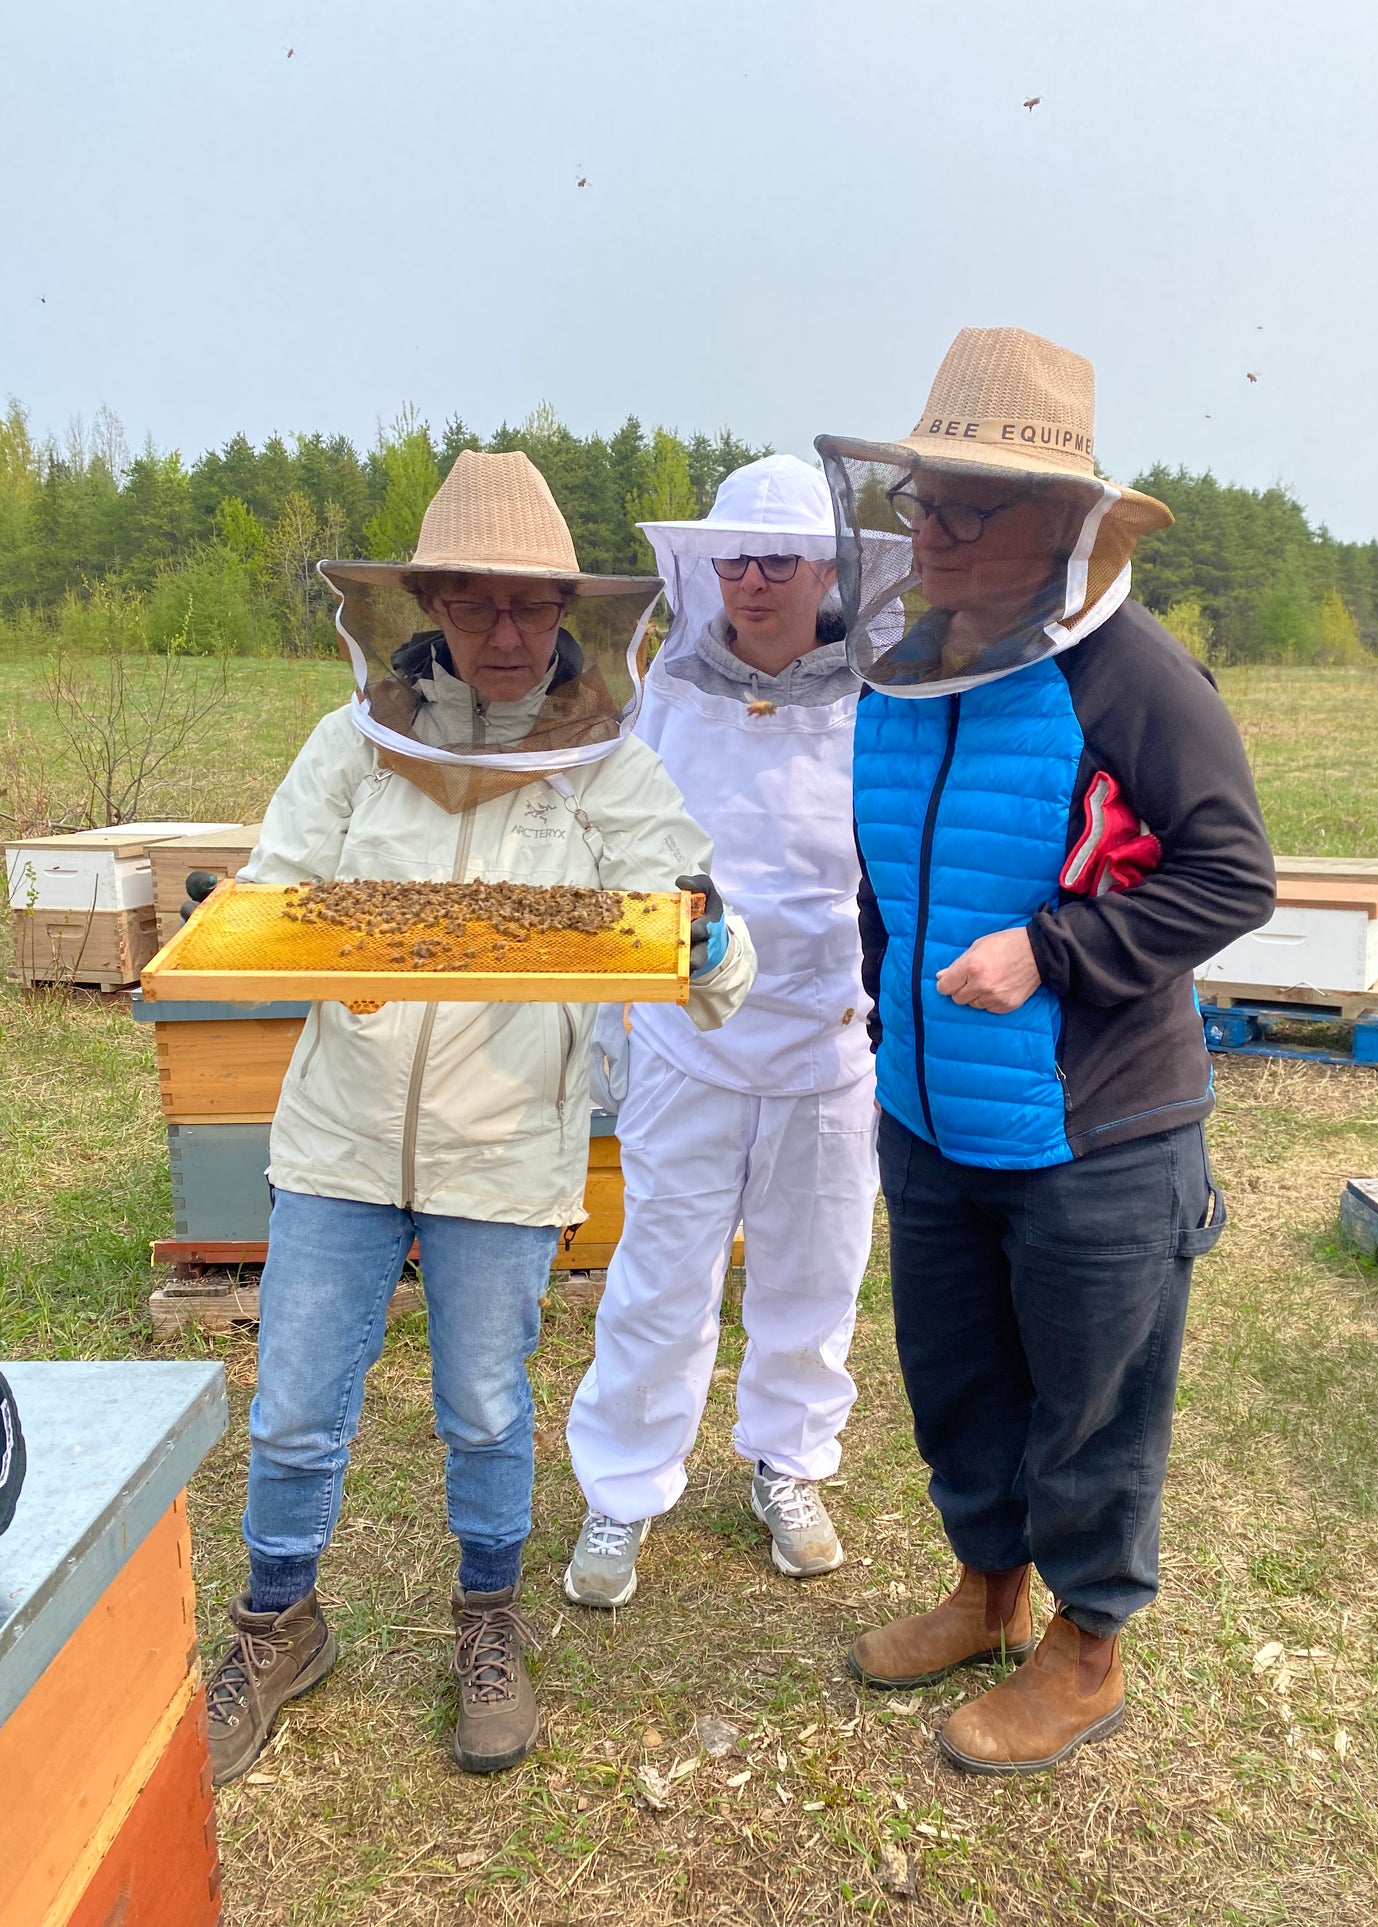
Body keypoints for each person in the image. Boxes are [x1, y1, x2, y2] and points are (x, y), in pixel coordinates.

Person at [202, 451, 755, 1786]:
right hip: (340, 1127)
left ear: (569, 612)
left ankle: (487, 1624)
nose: (507, 636)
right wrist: (241, 919)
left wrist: (708, 939)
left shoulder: (602, 770)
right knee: (291, 1407)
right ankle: (278, 1622)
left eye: (531, 609)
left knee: (486, 1405)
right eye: (477, 606)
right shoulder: (352, 746)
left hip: (506, 1141)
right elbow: (277, 888)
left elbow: (694, 927)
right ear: (431, 605)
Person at [814, 328, 1275, 1775]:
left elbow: (1230, 870)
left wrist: (1056, 948)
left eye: (972, 505)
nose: (933, 531)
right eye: (923, 502)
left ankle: (1084, 1651)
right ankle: (985, 1589)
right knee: (956, 1373)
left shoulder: (1133, 673)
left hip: (1099, 1133)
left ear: (1060, 523)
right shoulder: (902, 676)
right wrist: (891, 1013)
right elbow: (894, 882)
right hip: (930, 1114)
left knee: (1091, 1398)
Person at [563, 455, 878, 1606]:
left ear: (825, 570)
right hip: (687, 1038)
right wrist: (612, 1011)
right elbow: (614, 854)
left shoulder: (872, 699)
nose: (752, 579)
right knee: (657, 1274)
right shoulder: (665, 694)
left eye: (778, 558)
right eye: (733, 556)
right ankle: (620, 1488)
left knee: (815, 1271)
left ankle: (787, 1467)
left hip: (831, 1039)